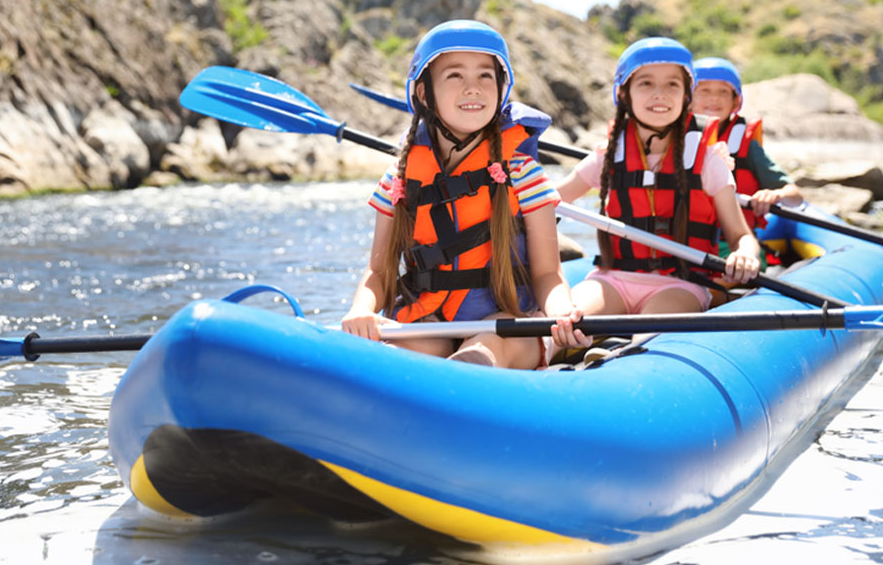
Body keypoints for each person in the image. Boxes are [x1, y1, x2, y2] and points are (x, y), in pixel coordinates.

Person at [341, 20, 588, 369]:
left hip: (506, 322)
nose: (473, 88)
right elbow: (378, 272)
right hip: (430, 318)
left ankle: (465, 382)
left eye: (485, 76)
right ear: (425, 93)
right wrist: (361, 310)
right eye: (455, 76)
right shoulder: (399, 179)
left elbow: (548, 273)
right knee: (413, 348)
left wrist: (562, 311)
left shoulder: (523, 174)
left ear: (501, 89)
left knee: (483, 347)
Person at [555, 38, 760, 322]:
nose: (660, 94)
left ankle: (624, 358)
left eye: (672, 85)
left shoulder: (709, 161)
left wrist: (745, 255)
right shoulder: (608, 156)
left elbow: (741, 236)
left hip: (681, 283)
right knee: (564, 317)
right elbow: (552, 198)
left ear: (686, 96)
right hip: (612, 279)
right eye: (646, 84)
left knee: (653, 324)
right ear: (624, 94)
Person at [691, 57, 803, 236]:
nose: (714, 98)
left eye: (723, 92)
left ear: (735, 102)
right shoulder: (672, 139)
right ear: (688, 98)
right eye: (704, 91)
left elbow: (795, 195)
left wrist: (776, 195)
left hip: (732, 242)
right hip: (680, 241)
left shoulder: (747, 146)